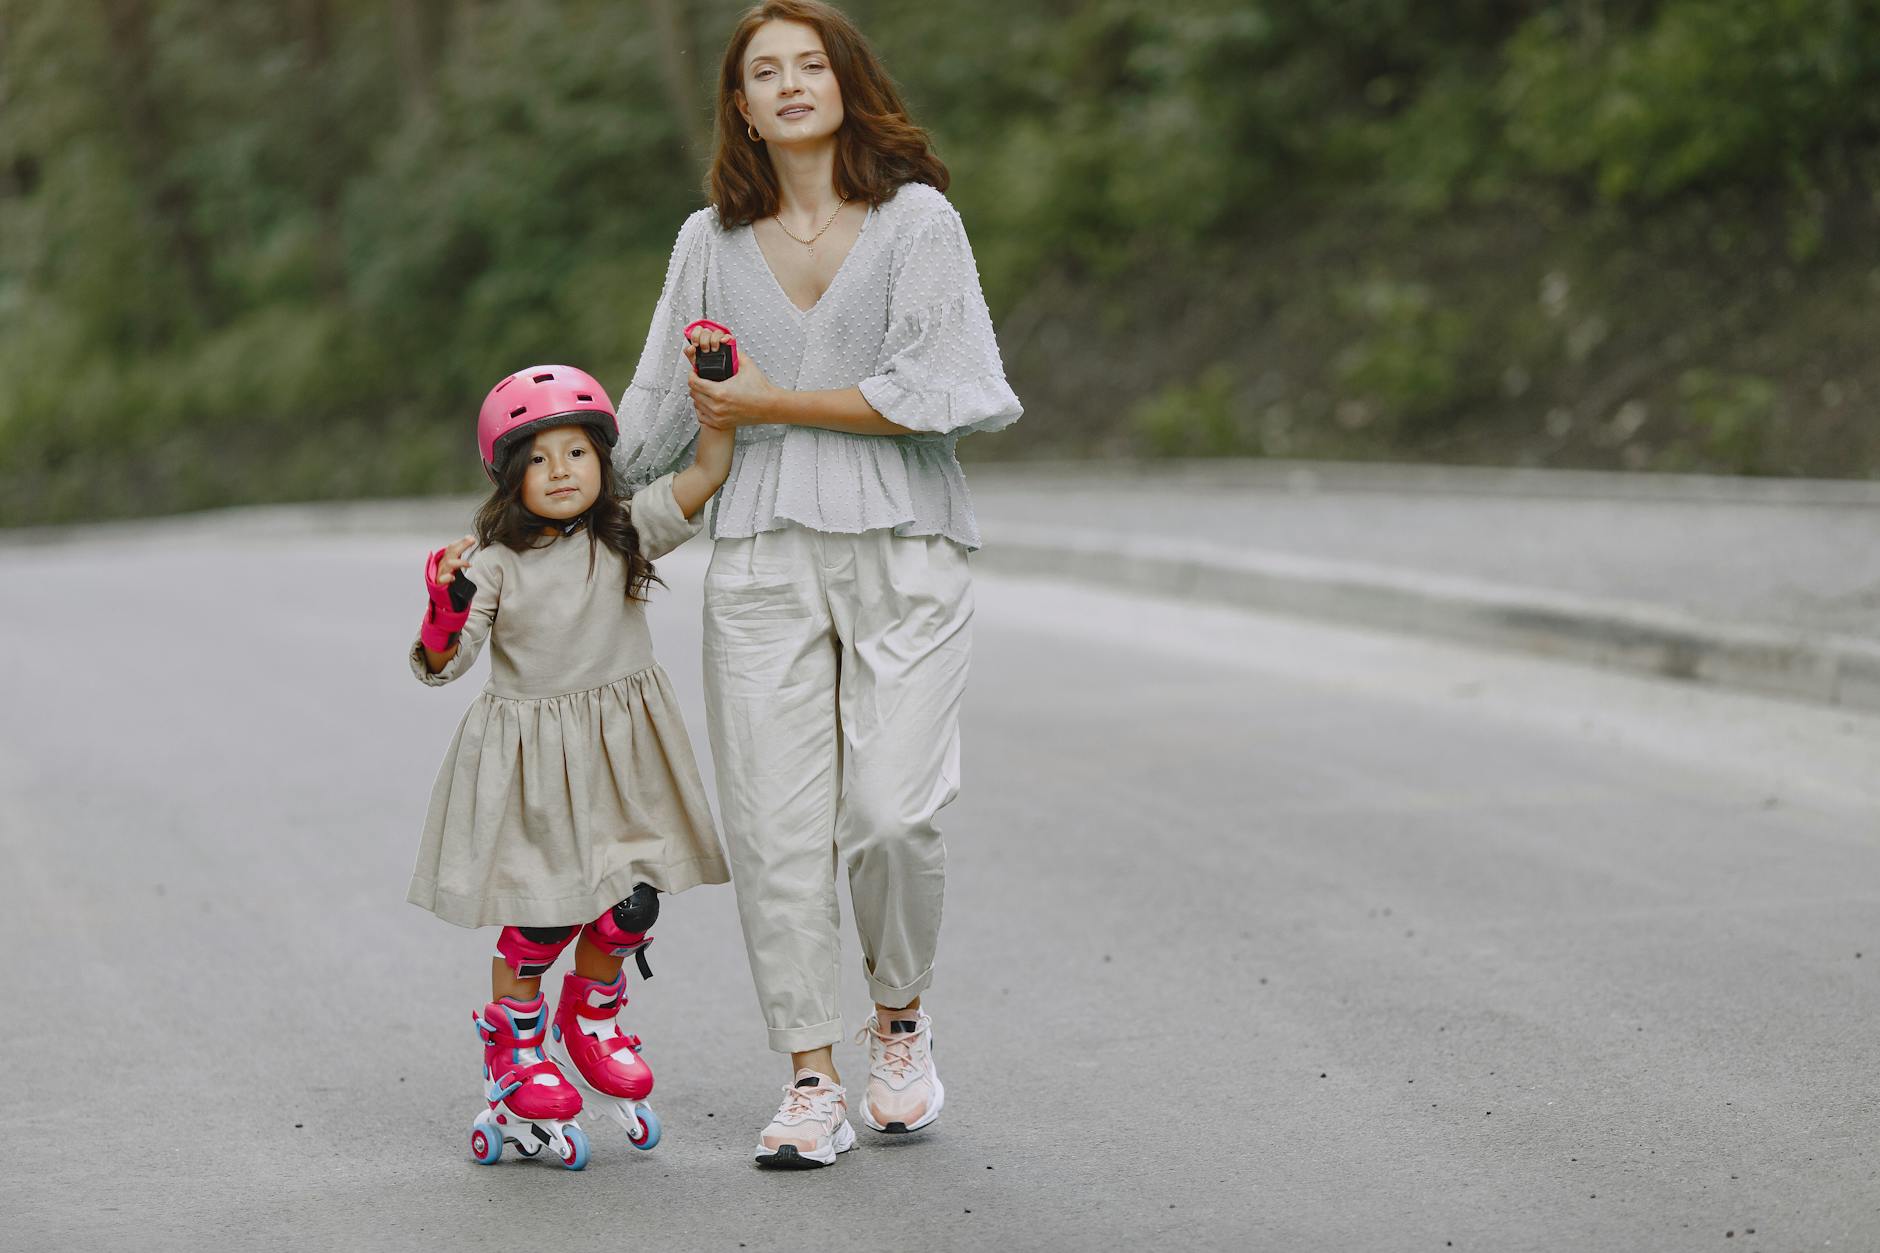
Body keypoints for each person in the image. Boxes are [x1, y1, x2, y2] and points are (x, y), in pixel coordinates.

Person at [615, 0, 1022, 1168]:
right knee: (777, 828)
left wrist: (761, 403)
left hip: (905, 543)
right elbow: (652, 405)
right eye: (764, 72)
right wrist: (557, 492)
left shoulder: (916, 224)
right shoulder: (707, 242)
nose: (790, 84)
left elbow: (934, 389)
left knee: (892, 812)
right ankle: (808, 1076)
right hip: (756, 555)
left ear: (846, 82)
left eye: (810, 64)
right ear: (738, 106)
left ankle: (898, 1020)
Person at [408, 363, 733, 1169]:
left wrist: (719, 400)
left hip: (622, 758)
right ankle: (514, 1046)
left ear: (603, 462)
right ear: (509, 475)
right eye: (540, 457)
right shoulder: (492, 563)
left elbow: (708, 472)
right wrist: (444, 609)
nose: (561, 470)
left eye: (578, 452)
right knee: (549, 911)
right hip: (534, 768)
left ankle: (589, 1019)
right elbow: (441, 665)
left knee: (632, 904)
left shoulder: (625, 529)